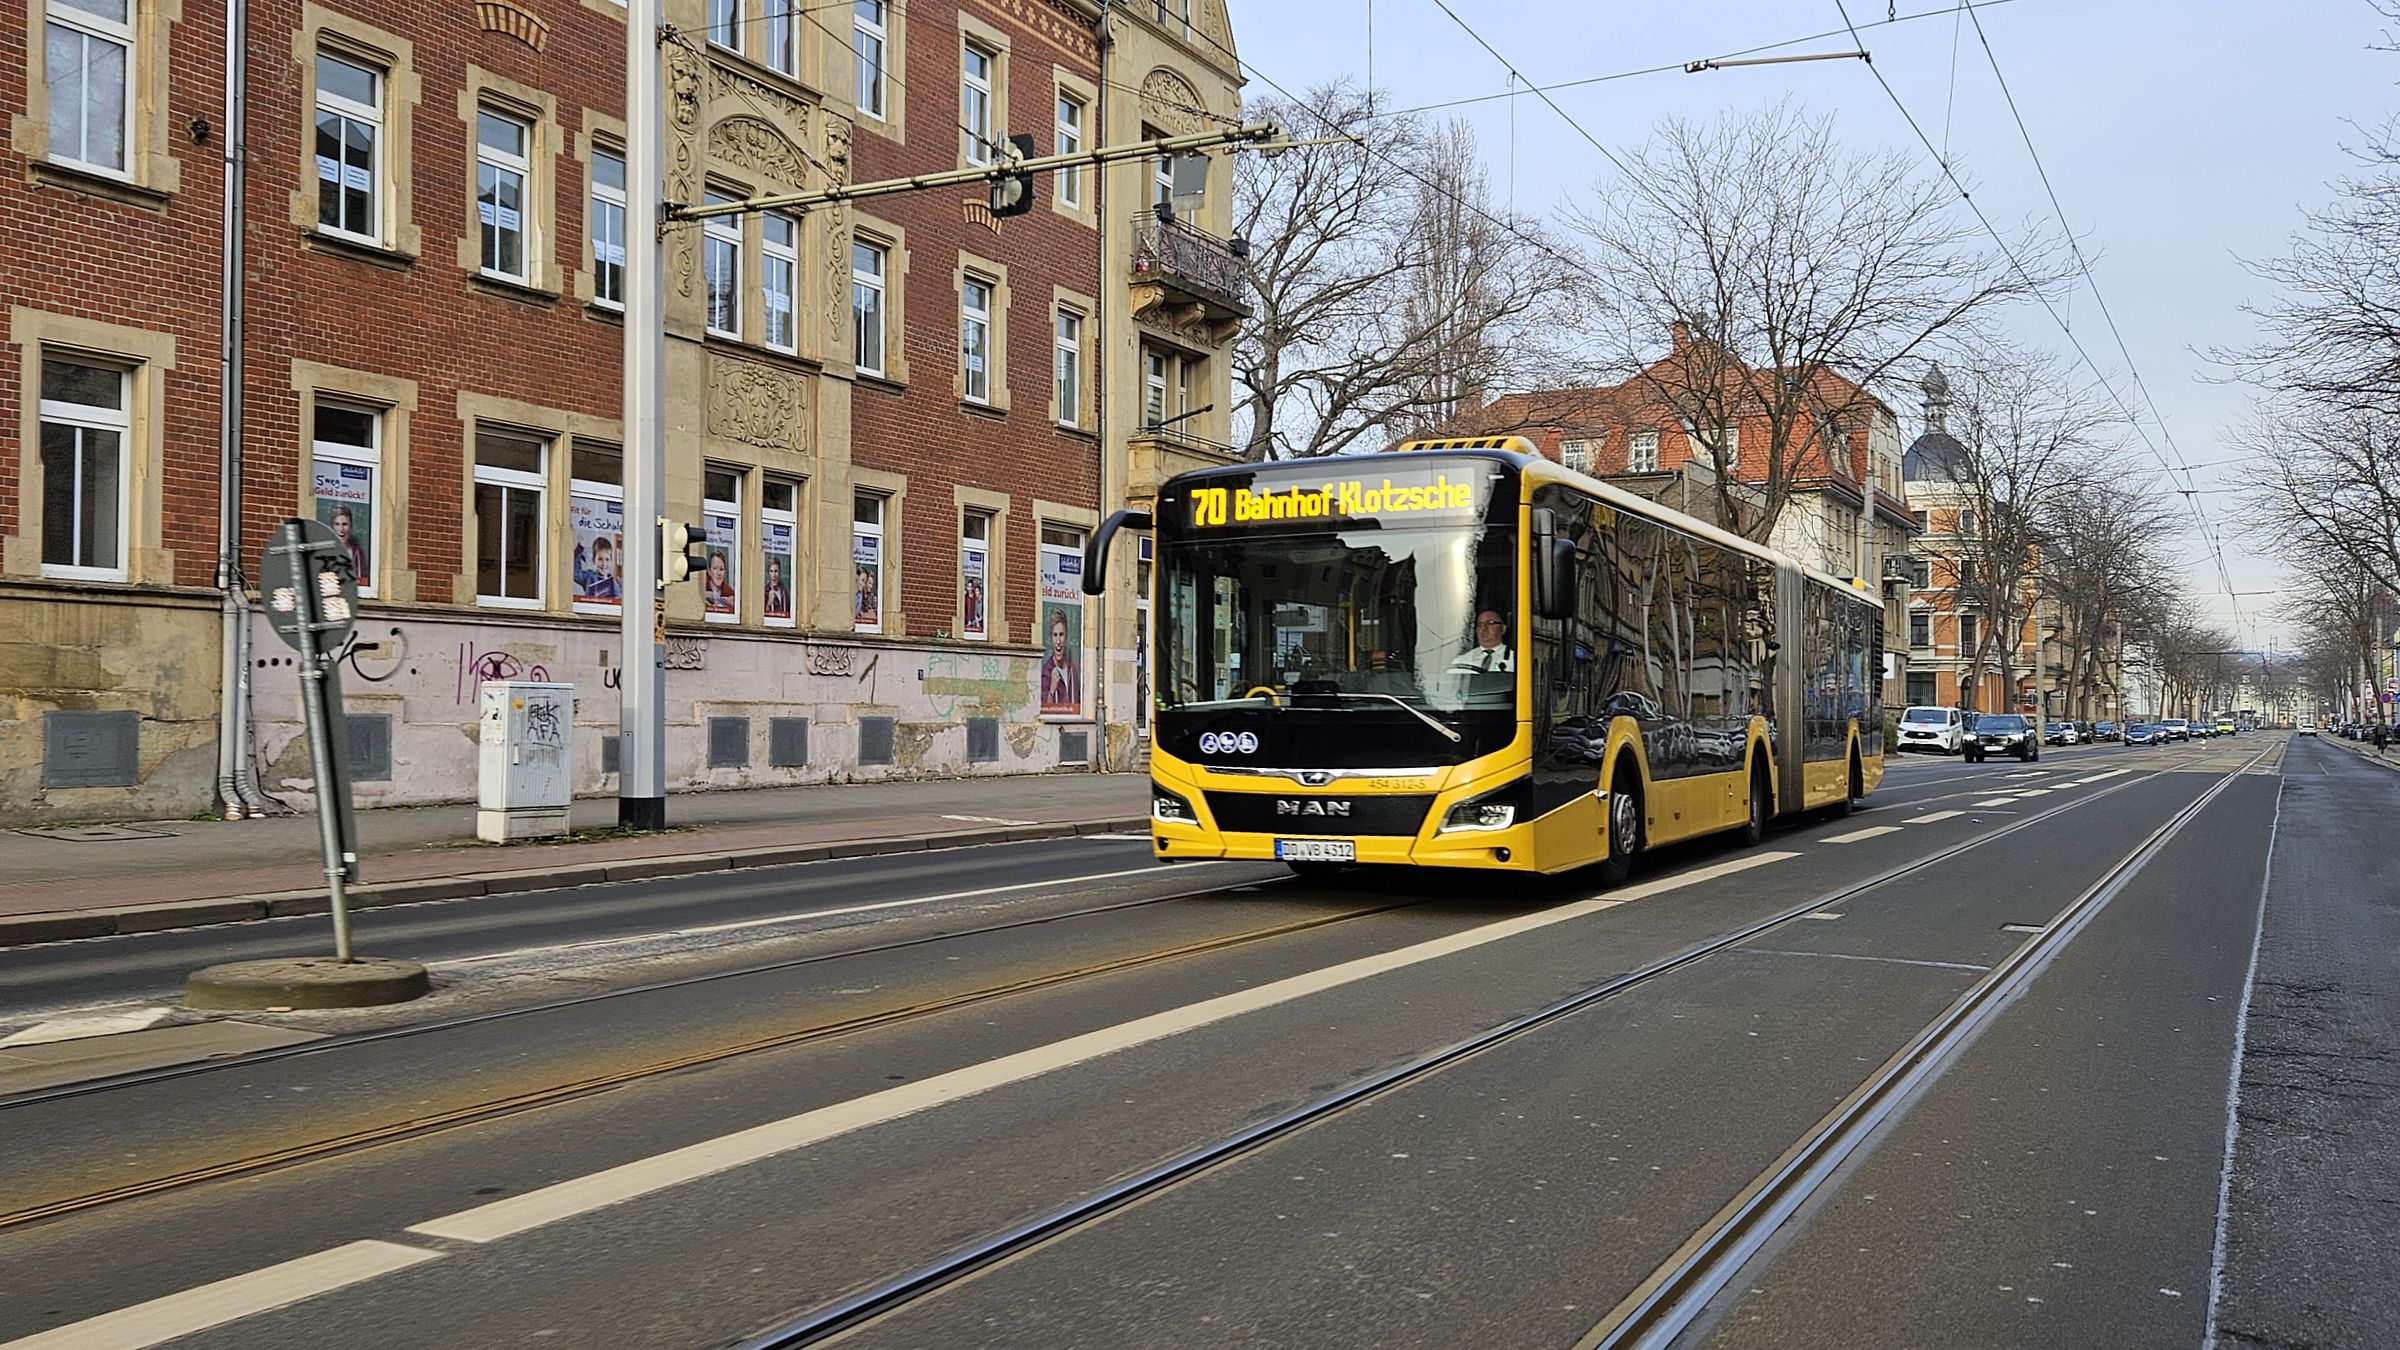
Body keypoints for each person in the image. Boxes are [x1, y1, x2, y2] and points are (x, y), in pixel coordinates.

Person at [1040, 607, 1081, 711]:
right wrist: (1052, 690)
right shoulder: (1047, 671)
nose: (1058, 641)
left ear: (1066, 637)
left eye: (1061, 635)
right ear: (1051, 638)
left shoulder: (1073, 669)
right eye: (1055, 635)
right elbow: (1045, 709)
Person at [329, 503, 368, 584]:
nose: (341, 529)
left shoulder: (357, 552)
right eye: (337, 524)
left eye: (345, 524)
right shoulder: (325, 551)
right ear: (332, 527)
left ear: (350, 527)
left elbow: (364, 581)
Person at [585, 535, 620, 600]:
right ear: (593, 560)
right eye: (600, 559)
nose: (604, 564)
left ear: (611, 561)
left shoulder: (613, 581)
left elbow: (619, 598)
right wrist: (579, 548)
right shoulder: (588, 576)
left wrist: (620, 587)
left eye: (607, 559)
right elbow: (575, 573)